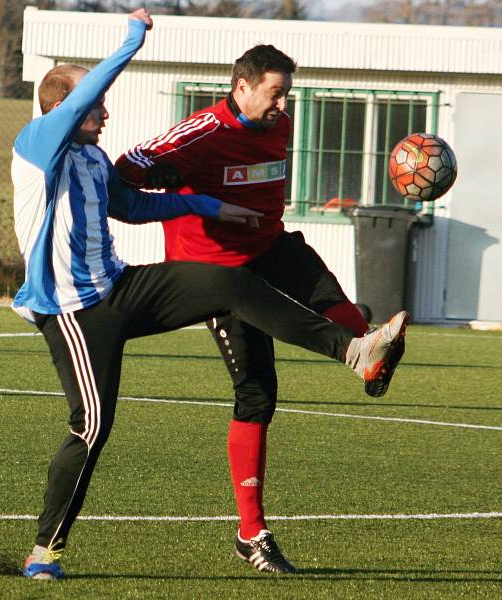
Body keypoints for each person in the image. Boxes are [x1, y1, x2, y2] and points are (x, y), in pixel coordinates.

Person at [12, 9, 407, 580]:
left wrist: (205, 205)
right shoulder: (36, 146)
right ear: (63, 109)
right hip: (76, 312)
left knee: (229, 283)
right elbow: (81, 101)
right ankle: (44, 551)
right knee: (92, 427)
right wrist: (131, 39)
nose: (104, 112)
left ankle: (353, 351)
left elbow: (135, 206)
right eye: (94, 105)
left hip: (121, 287)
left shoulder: (93, 160)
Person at [115, 44, 409, 573]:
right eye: (274, 94)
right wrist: (184, 199)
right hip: (219, 275)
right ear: (241, 87)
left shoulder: (281, 125)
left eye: (286, 96)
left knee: (336, 301)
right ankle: (251, 533)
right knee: (257, 392)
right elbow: (129, 168)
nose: (282, 106)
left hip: (271, 245)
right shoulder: (201, 133)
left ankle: (371, 360)